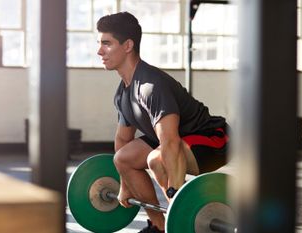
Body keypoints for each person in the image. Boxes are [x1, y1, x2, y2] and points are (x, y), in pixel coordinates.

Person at [96, 12, 229, 233]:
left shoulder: (150, 86)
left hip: (214, 138)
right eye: (100, 44)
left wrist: (177, 198)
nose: (99, 51)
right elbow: (123, 140)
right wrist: (125, 186)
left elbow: (169, 142)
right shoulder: (123, 93)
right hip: (178, 140)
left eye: (106, 43)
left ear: (128, 45)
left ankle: (176, 226)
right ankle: (158, 226)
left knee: (156, 159)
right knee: (124, 159)